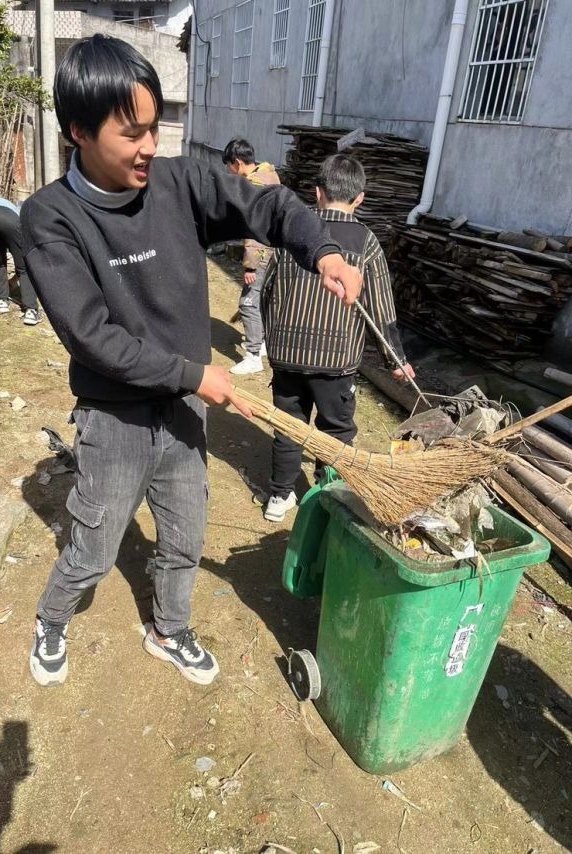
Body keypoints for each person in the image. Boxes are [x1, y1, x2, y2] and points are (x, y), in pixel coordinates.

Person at [21, 35, 362, 688]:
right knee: (94, 545)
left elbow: (265, 203)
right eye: (132, 133)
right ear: (79, 133)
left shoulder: (178, 182)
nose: (150, 146)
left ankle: (169, 630)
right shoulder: (50, 218)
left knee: (184, 535)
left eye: (155, 128)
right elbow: (92, 338)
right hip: (115, 416)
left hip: (184, 410)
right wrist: (194, 374)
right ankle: (52, 617)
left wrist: (321, 250)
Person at [261, 153, 415, 522]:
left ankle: (279, 496)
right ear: (359, 198)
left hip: (287, 355)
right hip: (335, 361)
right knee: (336, 430)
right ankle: (326, 494)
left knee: (288, 426)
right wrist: (396, 361)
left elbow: (267, 292)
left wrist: (273, 337)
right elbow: (381, 308)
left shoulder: (293, 234)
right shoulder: (366, 242)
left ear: (318, 192)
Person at [221, 138, 280, 375]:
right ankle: (262, 342)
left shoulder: (254, 185)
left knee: (247, 303)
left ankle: (253, 355)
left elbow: (254, 228)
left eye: (229, 166)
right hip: (275, 250)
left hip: (261, 253)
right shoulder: (271, 176)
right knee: (263, 298)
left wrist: (250, 266)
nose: (229, 171)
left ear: (237, 163)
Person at [0, 196, 41, 325]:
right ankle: (31, 311)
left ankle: (2, 301)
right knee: (24, 266)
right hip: (9, 218)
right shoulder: (15, 208)